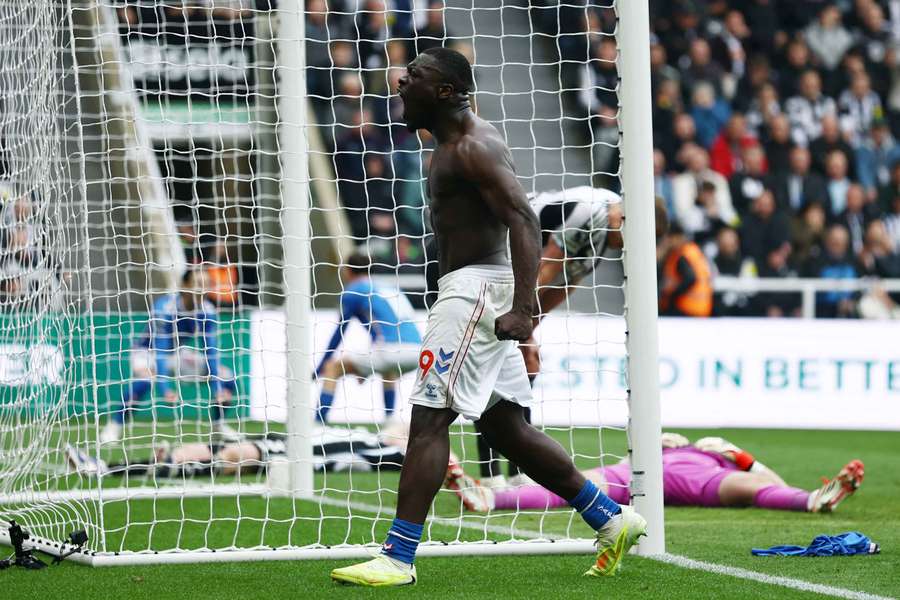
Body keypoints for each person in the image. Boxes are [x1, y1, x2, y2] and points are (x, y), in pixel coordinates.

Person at [330, 47, 646, 587]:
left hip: (475, 293)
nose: (401, 80)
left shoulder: (473, 147)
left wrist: (524, 310)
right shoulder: (453, 143)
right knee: (505, 428)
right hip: (478, 291)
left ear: (445, 91)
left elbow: (523, 219)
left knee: (429, 420)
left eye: (415, 75)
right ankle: (610, 517)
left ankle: (397, 558)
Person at [446, 433, 864, 516]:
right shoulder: (662, 444)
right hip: (638, 470)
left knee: (754, 488)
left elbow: (771, 481)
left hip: (699, 480)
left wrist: (740, 455)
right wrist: (655, 442)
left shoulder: (716, 458)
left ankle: (814, 498)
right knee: (572, 481)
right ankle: (490, 498)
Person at [100, 268, 238, 444]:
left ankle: (218, 426)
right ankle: (115, 425)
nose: (202, 289)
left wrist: (217, 387)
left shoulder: (207, 311)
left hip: (176, 353)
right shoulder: (165, 308)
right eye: (198, 284)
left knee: (226, 376)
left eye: (207, 284)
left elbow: (210, 350)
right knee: (144, 380)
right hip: (147, 352)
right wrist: (165, 388)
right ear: (184, 286)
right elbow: (161, 350)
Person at [314, 253, 422, 423]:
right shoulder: (390, 288)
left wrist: (320, 367)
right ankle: (389, 423)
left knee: (332, 368)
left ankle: (318, 424)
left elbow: (339, 332)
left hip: (391, 350)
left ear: (347, 271)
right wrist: (365, 367)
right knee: (388, 371)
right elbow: (383, 328)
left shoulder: (353, 291)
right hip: (417, 352)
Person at [67, 426, 409, 479]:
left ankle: (108, 470)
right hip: (289, 438)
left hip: (298, 453)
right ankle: (110, 466)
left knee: (232, 457)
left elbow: (407, 448)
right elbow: (399, 426)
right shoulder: (377, 435)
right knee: (208, 449)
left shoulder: (389, 453)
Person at [658, 223, 714, 317]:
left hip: (686, 308)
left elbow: (690, 278)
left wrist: (672, 295)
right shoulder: (693, 250)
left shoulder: (682, 255)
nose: (666, 242)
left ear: (676, 237)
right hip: (702, 308)